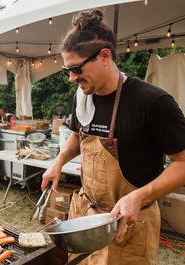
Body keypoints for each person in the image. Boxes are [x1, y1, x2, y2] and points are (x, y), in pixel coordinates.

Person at [41, 9, 185, 265]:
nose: (72, 78)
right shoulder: (82, 96)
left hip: (130, 224)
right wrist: (59, 160)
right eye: (68, 70)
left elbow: (182, 162)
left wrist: (140, 196)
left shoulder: (152, 102)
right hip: (85, 217)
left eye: (76, 69)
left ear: (104, 56)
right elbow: (78, 133)